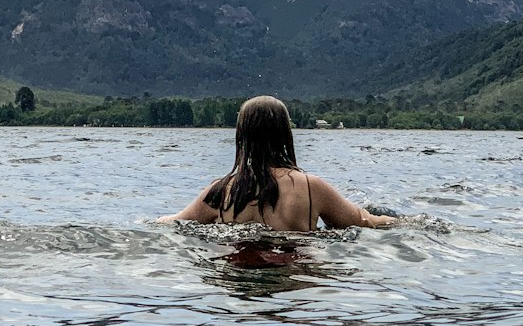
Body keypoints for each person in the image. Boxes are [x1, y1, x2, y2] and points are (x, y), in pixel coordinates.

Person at [157, 95, 396, 230]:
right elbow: (363, 222)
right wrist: (406, 223)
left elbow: (175, 222)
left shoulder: (220, 191)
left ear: (242, 137)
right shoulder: (311, 187)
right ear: (284, 134)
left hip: (238, 276)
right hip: (292, 273)